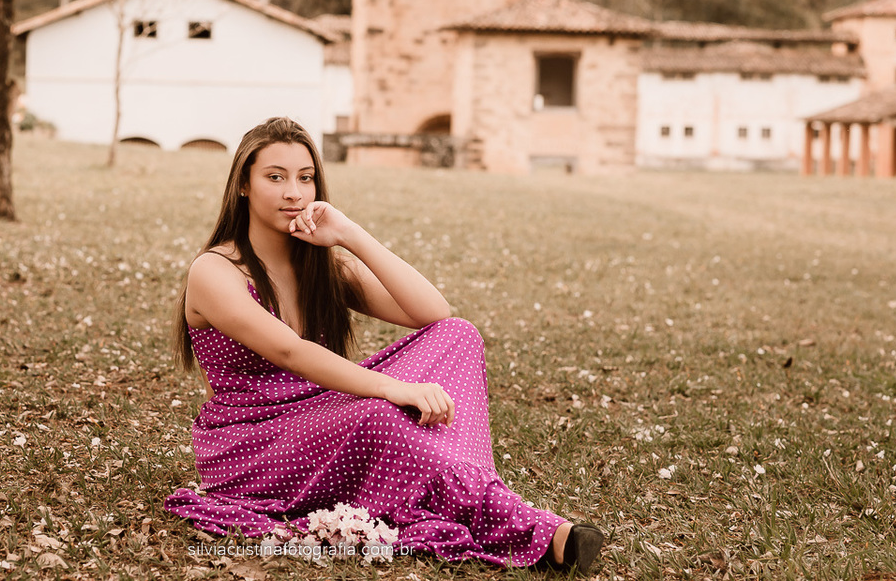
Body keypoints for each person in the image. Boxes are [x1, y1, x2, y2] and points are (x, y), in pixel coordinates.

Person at [164, 117, 604, 572]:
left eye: (305, 177)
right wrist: (392, 388)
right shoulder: (215, 271)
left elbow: (433, 313)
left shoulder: (322, 266)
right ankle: (534, 530)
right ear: (243, 185)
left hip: (325, 409)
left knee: (460, 335)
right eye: (275, 177)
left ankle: (465, 479)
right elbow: (290, 352)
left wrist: (351, 234)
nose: (294, 192)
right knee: (378, 411)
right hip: (252, 442)